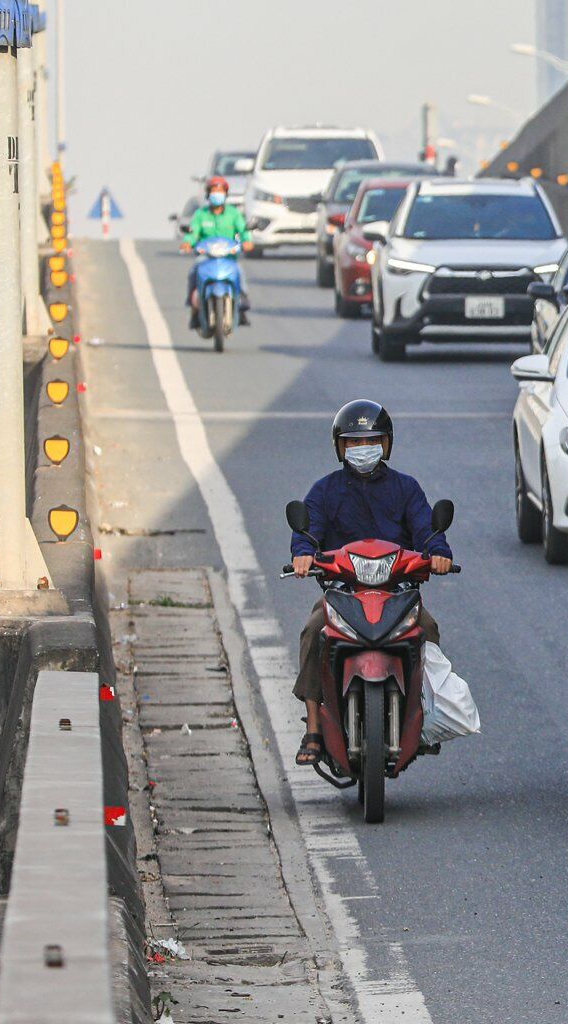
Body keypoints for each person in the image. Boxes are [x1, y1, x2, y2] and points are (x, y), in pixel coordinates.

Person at [290, 400, 453, 766]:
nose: (362, 449)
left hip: (398, 594)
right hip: (343, 594)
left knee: (428, 629)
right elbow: (307, 535)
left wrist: (439, 553)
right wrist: (302, 553)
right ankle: (314, 728)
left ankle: (424, 714)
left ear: (387, 443)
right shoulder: (324, 491)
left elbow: (427, 532)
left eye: (372, 440)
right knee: (314, 631)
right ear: (340, 447)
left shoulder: (406, 488)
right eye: (353, 442)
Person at [180, 176, 254, 329]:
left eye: (220, 191)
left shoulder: (233, 214)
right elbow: (193, 233)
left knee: (239, 272)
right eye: (214, 191)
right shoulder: (201, 214)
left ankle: (242, 305)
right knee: (194, 271)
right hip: (206, 258)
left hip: (228, 257)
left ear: (225, 194)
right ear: (208, 194)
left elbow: (242, 231)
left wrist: (246, 241)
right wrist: (188, 243)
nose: (217, 194)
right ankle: (194, 309)